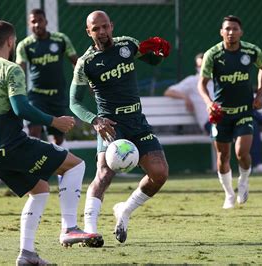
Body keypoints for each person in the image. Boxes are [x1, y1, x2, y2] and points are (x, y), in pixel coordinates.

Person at [0, 21, 102, 265]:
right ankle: (69, 228)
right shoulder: (11, 70)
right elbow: (19, 107)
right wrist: (54, 121)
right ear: (11, 42)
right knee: (76, 165)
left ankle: (27, 254)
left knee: (40, 190)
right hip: (13, 146)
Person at [70, 10, 170, 245]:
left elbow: (152, 59)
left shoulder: (128, 45)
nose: (102, 32)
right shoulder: (86, 63)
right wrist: (95, 120)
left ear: (111, 26)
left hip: (137, 121)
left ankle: (124, 210)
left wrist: (159, 53)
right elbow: (73, 102)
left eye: (105, 27)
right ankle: (90, 231)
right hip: (111, 125)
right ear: (88, 32)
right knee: (104, 174)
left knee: (160, 174)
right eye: (96, 29)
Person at [165, 53, 262, 173]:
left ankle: (257, 164)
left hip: (229, 117)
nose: (202, 68)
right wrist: (186, 98)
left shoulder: (220, 78)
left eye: (205, 65)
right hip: (211, 122)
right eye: (199, 66)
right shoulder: (192, 81)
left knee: (251, 121)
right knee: (250, 116)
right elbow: (169, 91)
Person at [198, 15, 262, 209]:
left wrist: (260, 94)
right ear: (221, 32)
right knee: (223, 157)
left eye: (234, 29)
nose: (231, 32)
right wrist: (208, 103)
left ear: (241, 31)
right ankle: (229, 194)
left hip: (244, 111)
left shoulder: (251, 51)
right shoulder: (213, 54)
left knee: (242, 152)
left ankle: (243, 182)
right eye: (227, 29)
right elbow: (202, 84)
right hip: (221, 114)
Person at [16, 8, 78, 146]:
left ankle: (56, 166)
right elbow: (20, 70)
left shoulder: (61, 39)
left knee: (58, 140)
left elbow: (76, 62)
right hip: (37, 96)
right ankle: (35, 165)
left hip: (57, 96)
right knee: (34, 132)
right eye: (33, 22)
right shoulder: (24, 45)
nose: (37, 24)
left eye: (40, 20)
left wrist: (82, 81)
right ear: (29, 24)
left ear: (46, 21)